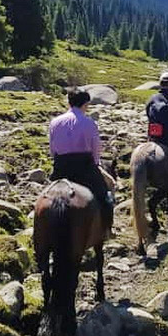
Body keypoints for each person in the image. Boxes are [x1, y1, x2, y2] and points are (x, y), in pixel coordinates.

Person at [49, 88, 116, 230]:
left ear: (69, 102)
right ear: (86, 104)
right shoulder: (89, 123)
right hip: (84, 168)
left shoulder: (55, 122)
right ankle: (107, 228)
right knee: (105, 197)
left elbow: (53, 150)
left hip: (61, 167)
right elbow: (96, 150)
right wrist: (96, 164)